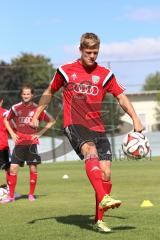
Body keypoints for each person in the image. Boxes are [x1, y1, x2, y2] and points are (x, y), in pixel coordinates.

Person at [31, 33, 144, 232]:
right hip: (74, 123)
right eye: (89, 52)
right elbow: (50, 91)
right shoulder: (65, 70)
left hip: (98, 127)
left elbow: (122, 97)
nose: (92, 56)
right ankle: (104, 197)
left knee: (106, 172)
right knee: (89, 150)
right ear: (80, 50)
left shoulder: (105, 74)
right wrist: (37, 114)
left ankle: (99, 220)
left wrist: (135, 118)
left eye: (96, 52)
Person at [3, 84, 55, 203]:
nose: (26, 96)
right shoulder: (15, 107)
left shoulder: (38, 109)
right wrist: (12, 133)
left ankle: (31, 194)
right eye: (24, 94)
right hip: (19, 143)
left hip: (31, 143)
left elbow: (51, 121)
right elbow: (6, 120)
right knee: (13, 168)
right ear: (21, 95)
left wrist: (40, 133)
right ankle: (11, 196)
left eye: (28, 94)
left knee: (32, 168)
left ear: (32, 95)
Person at [0, 98, 10, 192]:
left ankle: (8, 190)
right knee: (8, 168)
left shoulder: (6, 113)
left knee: (8, 168)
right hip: (3, 145)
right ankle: (10, 190)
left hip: (3, 145)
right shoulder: (6, 113)